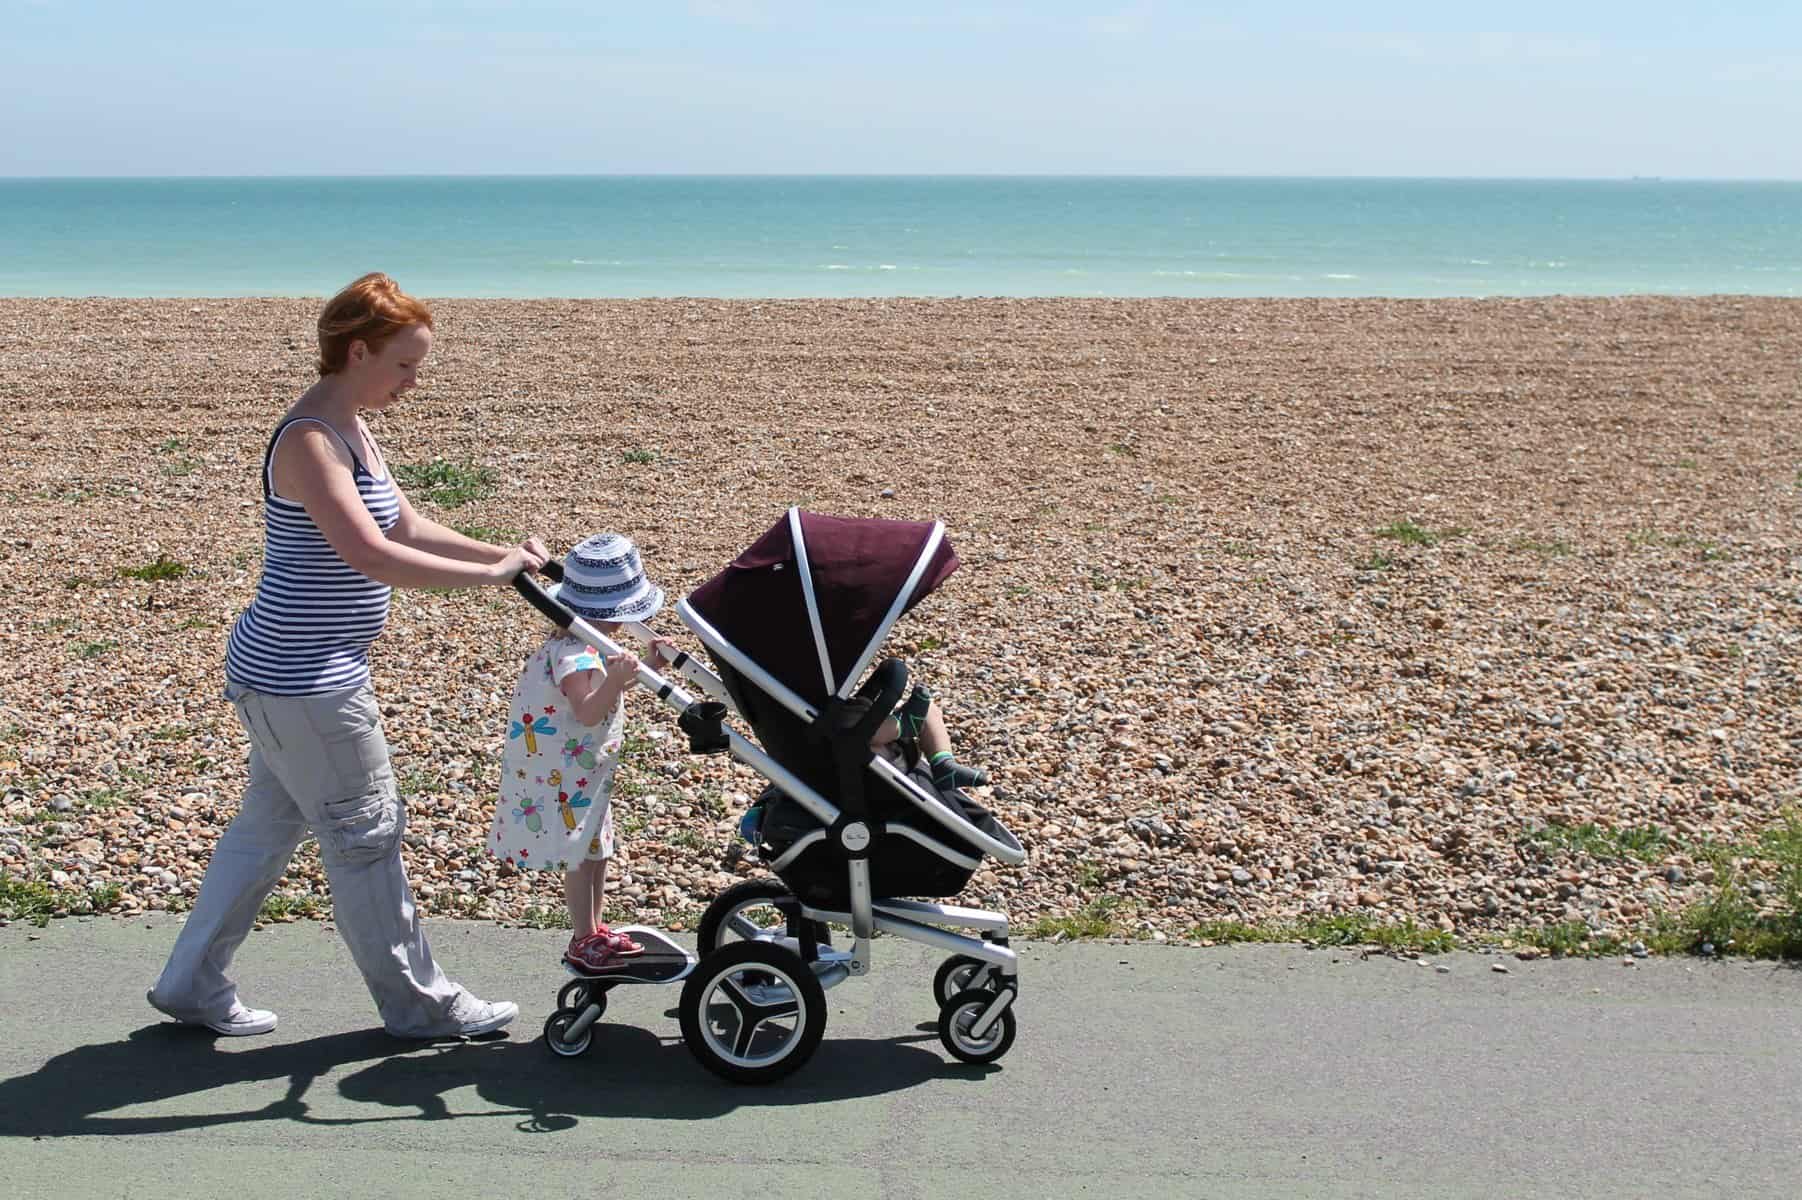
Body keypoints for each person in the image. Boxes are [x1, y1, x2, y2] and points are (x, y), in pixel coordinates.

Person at [148, 272, 547, 1039]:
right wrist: (489, 578)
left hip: (294, 673)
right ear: (357, 351)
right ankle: (421, 1006)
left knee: (267, 828)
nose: (414, 382)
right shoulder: (308, 441)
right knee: (367, 833)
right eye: (403, 365)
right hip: (303, 680)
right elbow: (371, 553)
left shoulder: (352, 426)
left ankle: (189, 983)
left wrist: (505, 557)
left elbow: (407, 524)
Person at [487, 532, 679, 973]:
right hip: (566, 774)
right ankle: (581, 937)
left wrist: (647, 668)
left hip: (587, 773)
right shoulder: (574, 655)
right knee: (579, 854)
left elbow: (606, 690)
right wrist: (616, 679)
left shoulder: (591, 647)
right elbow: (589, 709)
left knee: (597, 849)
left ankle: (594, 928)